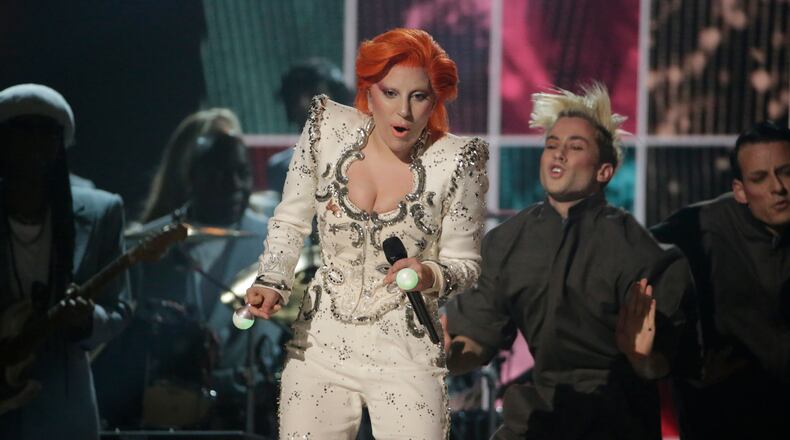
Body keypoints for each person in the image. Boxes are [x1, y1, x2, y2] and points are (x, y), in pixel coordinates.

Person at [245, 28, 489, 439]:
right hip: (320, 346)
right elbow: (290, 220)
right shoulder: (327, 129)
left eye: (419, 96)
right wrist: (273, 280)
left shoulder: (459, 161)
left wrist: (429, 273)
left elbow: (465, 264)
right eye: (391, 93)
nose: (404, 113)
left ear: (436, 99)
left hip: (406, 352)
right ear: (369, 90)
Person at [443, 84, 694, 439]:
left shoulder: (639, 252)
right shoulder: (508, 240)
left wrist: (643, 357)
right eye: (551, 145)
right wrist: (445, 356)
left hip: (615, 424)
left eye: (575, 147)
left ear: (604, 171)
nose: (558, 154)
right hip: (536, 420)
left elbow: (667, 364)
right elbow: (478, 337)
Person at [93, 131, 284, 434]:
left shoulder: (275, 242)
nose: (234, 184)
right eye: (220, 173)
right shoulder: (148, 244)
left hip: (244, 412)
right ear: (192, 177)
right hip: (165, 413)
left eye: (241, 173)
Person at [0, 83, 132, 439]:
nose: (35, 146)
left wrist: (86, 320)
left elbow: (120, 309)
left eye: (47, 134)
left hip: (64, 409)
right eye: (22, 132)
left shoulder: (102, 212)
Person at [650, 121, 790, 439]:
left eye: (787, 172)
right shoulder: (700, 225)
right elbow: (630, 256)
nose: (778, 187)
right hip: (719, 417)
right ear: (740, 190)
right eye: (760, 178)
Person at [139, 107, 242, 223]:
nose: (235, 184)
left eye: (241, 171)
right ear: (187, 175)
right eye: (217, 173)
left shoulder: (262, 228)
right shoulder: (153, 237)